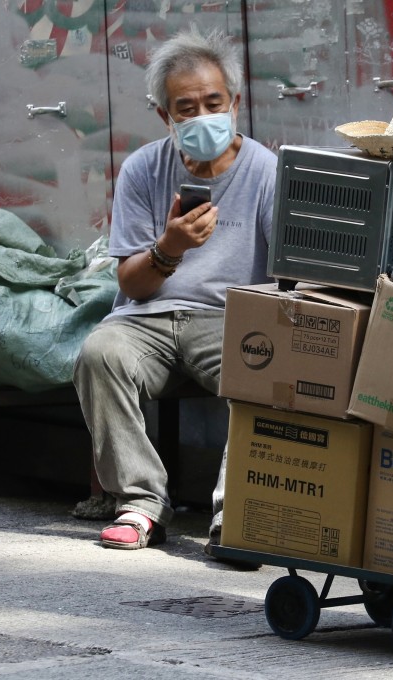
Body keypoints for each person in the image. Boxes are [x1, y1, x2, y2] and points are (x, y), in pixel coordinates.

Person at [73, 26, 277, 562]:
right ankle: (140, 502)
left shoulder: (266, 171)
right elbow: (131, 283)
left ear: (234, 103)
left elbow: (288, 277)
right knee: (100, 353)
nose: (202, 115)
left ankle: (235, 512)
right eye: (186, 108)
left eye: (213, 102)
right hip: (150, 317)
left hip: (230, 318)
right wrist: (169, 247)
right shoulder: (144, 169)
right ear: (166, 117)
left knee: (265, 365)